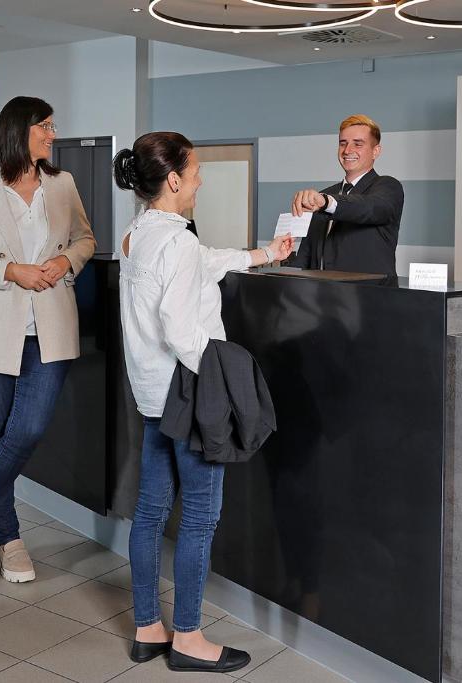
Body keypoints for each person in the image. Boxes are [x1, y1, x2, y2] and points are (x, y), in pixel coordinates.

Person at [113, 132, 294, 674]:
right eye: (194, 172)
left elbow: (199, 263)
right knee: (198, 518)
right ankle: (188, 639)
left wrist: (263, 254)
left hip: (151, 393)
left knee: (149, 513)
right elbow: (178, 326)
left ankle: (149, 628)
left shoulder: (138, 233)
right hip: (189, 393)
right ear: (173, 180)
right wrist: (224, 367)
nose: (199, 180)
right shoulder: (177, 241)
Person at [0, 96, 96, 584]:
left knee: (26, 430)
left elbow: (86, 239)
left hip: (49, 328)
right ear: (19, 130)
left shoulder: (62, 183)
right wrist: (11, 270)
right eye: (45, 126)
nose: (52, 135)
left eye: (52, 126)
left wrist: (65, 262)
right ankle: (8, 538)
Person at [287, 114, 404, 275]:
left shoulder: (388, 187)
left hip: (368, 297)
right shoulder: (324, 195)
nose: (347, 150)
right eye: (343, 143)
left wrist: (327, 203)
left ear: (375, 151)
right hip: (321, 295)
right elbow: (306, 254)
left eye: (358, 144)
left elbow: (369, 208)